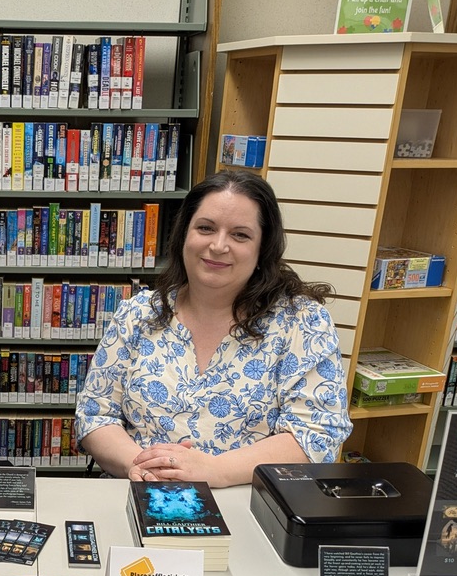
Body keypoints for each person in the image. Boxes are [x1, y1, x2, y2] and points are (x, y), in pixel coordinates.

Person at [76, 170, 352, 488]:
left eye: (240, 235)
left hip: (251, 505)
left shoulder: (302, 323)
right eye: (206, 228)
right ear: (184, 235)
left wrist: (216, 470)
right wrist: (143, 467)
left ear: (262, 249)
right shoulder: (137, 315)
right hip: (142, 494)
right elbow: (95, 415)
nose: (218, 245)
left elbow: (317, 432)